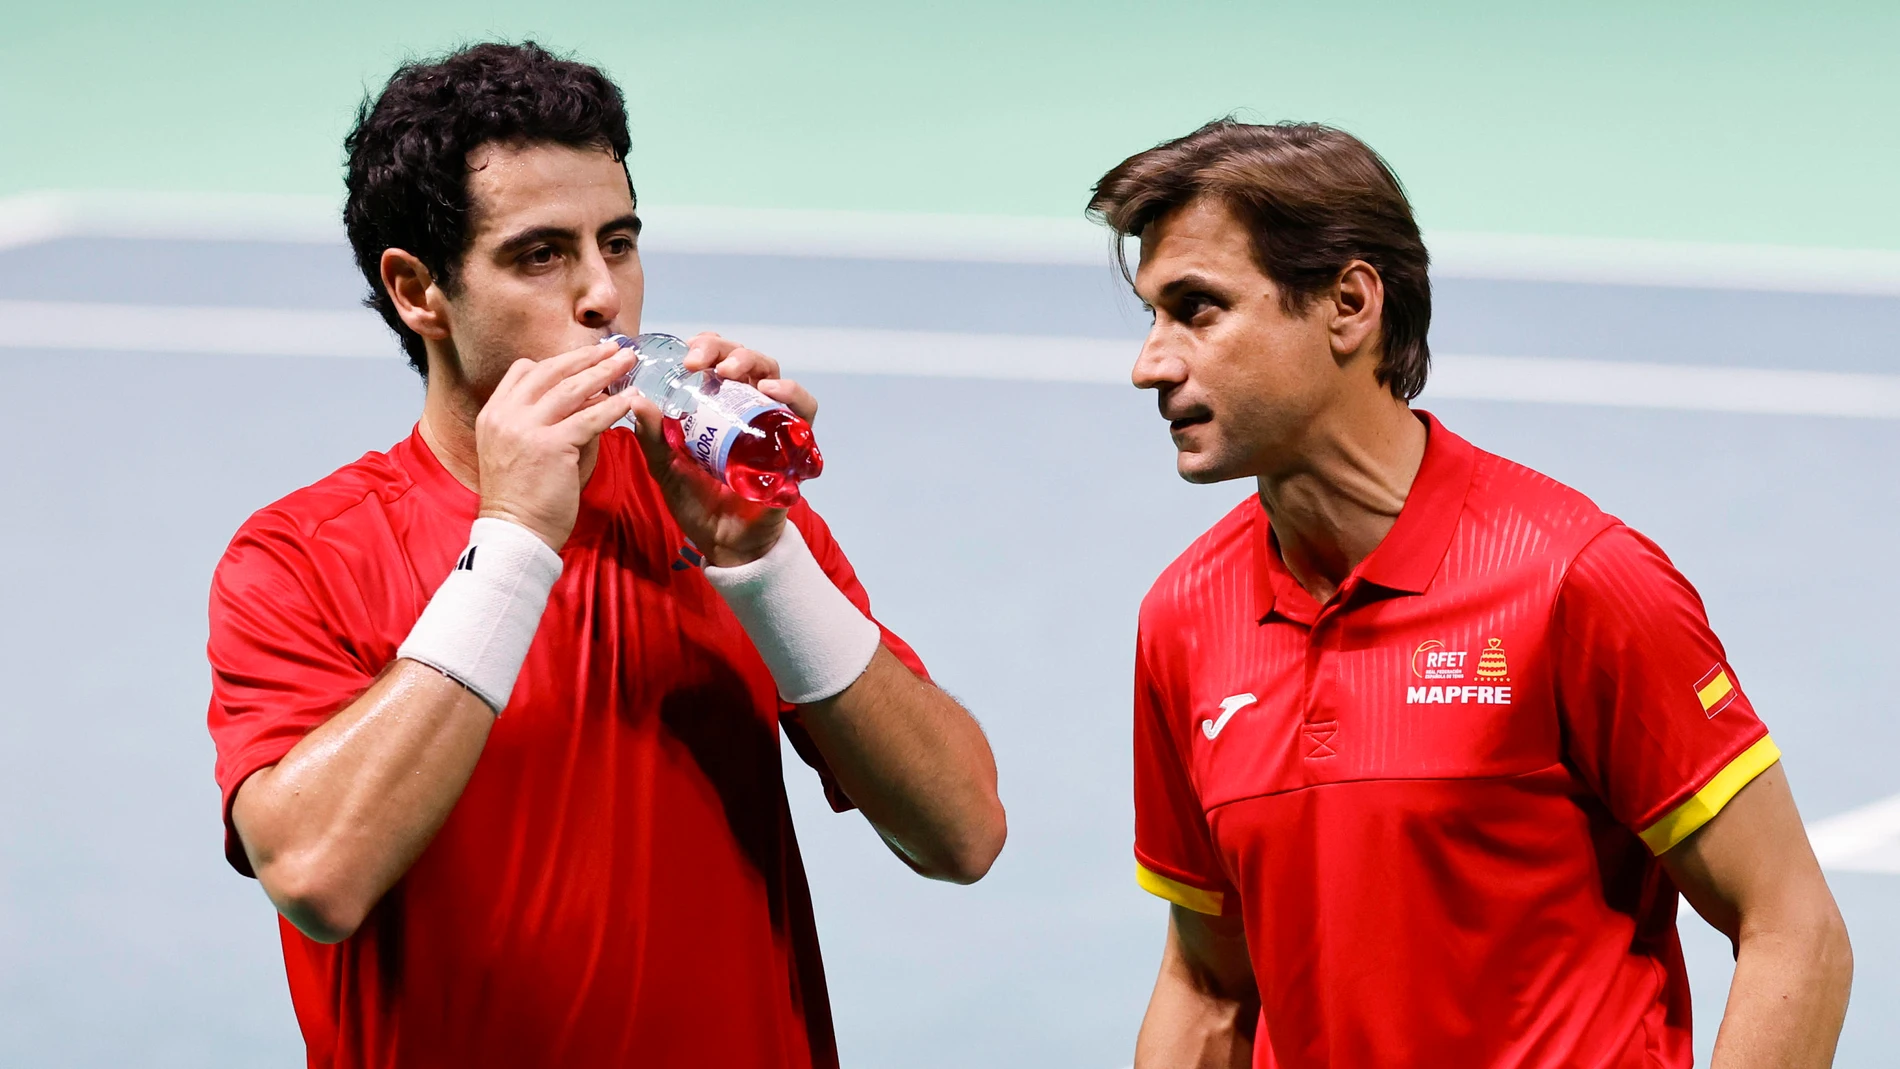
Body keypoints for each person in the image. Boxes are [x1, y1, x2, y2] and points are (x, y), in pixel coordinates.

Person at [205, 42, 1005, 1069]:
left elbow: (963, 832)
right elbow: (316, 870)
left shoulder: (715, 513)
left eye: (617, 243)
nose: (601, 295)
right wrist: (513, 543)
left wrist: (761, 562)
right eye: (541, 254)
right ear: (417, 290)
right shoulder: (301, 556)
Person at [1091, 120, 1851, 1069]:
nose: (1150, 363)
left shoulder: (1575, 580)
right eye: (1151, 317)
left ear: (1348, 303)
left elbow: (1793, 927)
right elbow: (1208, 982)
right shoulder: (1184, 617)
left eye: (1196, 310)